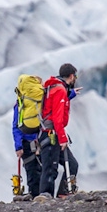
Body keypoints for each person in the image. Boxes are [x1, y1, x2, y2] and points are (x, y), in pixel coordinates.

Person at [39, 63, 80, 198]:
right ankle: (45, 197)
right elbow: (57, 118)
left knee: (71, 164)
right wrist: (62, 139)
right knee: (50, 168)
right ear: (71, 76)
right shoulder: (60, 90)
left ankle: (62, 194)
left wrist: (71, 94)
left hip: (50, 133)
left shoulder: (53, 87)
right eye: (75, 76)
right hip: (52, 134)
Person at [12, 93, 43, 197]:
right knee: (39, 170)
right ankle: (39, 196)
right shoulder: (38, 102)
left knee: (32, 171)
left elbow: (16, 126)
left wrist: (18, 146)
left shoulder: (21, 103)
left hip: (26, 143)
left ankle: (34, 196)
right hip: (38, 141)